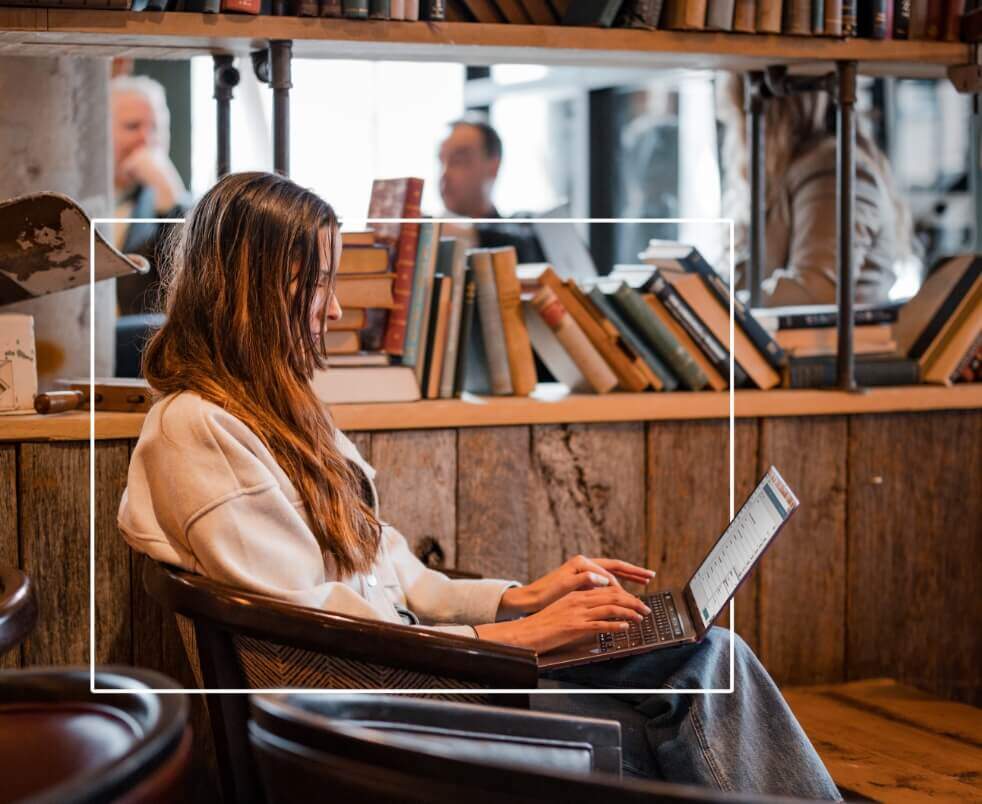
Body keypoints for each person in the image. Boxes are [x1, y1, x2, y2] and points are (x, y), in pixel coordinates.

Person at [117, 172, 840, 801]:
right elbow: (307, 637)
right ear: (250, 292)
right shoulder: (197, 427)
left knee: (707, 656)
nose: (335, 311)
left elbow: (382, 564)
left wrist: (515, 599)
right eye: (317, 285)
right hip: (372, 718)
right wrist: (509, 641)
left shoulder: (276, 406)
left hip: (423, 673)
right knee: (681, 702)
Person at [719, 73, 916, 307]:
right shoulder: (797, 170)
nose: (736, 135)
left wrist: (717, 308)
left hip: (822, 343)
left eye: (738, 117)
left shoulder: (830, 169)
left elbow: (815, 290)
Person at [111, 74, 191, 316]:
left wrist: (171, 201)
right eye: (133, 126)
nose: (147, 140)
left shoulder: (169, 205)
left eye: (155, 128)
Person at [437, 116, 546, 264]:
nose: (445, 174)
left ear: (493, 166)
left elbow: (530, 249)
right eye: (441, 161)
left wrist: (465, 233)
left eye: (458, 161)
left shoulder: (524, 225)